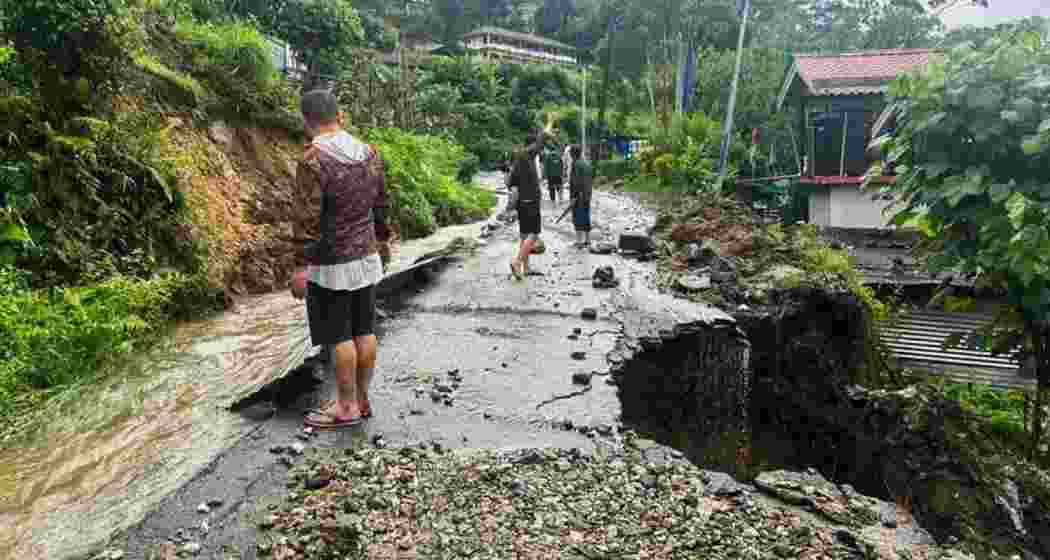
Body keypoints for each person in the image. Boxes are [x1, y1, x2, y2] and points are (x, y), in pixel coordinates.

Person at [289, 89, 391, 429]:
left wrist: (299, 266)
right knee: (364, 329)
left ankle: (345, 406)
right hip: (366, 255)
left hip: (329, 263)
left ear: (307, 122)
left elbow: (306, 218)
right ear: (340, 116)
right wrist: (383, 242)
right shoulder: (370, 152)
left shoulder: (313, 159)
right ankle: (361, 400)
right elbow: (381, 204)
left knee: (339, 336)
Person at [507, 129, 550, 280]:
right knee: (533, 235)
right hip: (530, 203)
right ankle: (517, 262)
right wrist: (548, 126)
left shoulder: (517, 161)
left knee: (524, 236)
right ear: (530, 147)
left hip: (522, 203)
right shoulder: (526, 156)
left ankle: (526, 268)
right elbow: (540, 142)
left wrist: (511, 206)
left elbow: (511, 184)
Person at [570, 144, 593, 248]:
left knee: (578, 217)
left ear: (572, 154)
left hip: (579, 196)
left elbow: (575, 182)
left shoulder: (576, 164)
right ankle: (587, 239)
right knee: (586, 216)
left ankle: (579, 241)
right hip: (587, 195)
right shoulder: (587, 163)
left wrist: (573, 196)